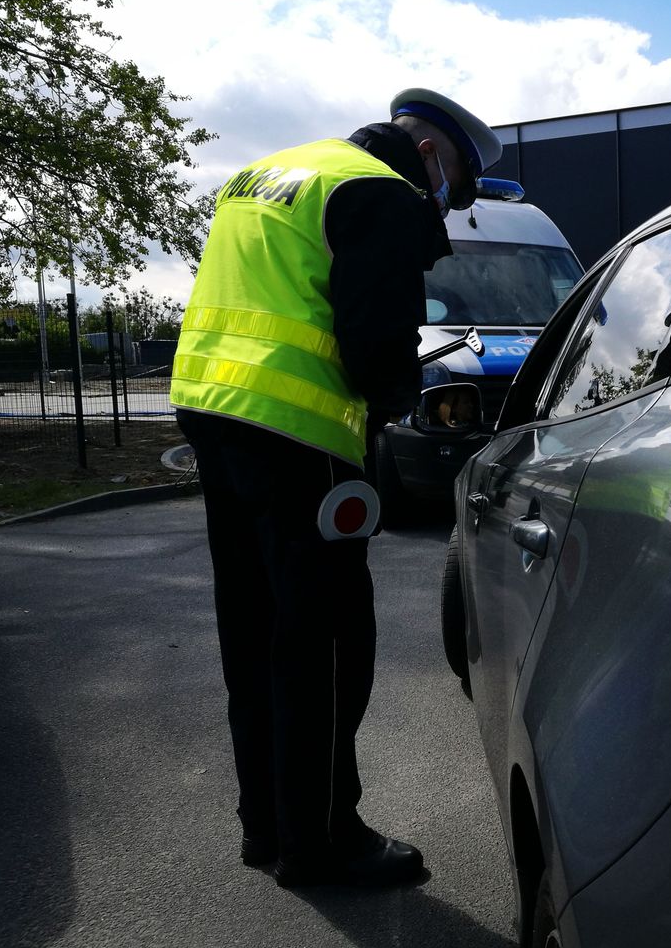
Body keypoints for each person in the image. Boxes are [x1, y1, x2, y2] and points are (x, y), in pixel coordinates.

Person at [170, 89, 501, 888]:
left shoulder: (265, 174)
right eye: (453, 184)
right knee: (325, 645)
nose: (446, 205)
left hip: (214, 417)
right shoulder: (383, 191)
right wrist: (389, 400)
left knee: (251, 631)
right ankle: (323, 841)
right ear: (429, 155)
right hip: (301, 434)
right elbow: (376, 340)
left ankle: (269, 826)